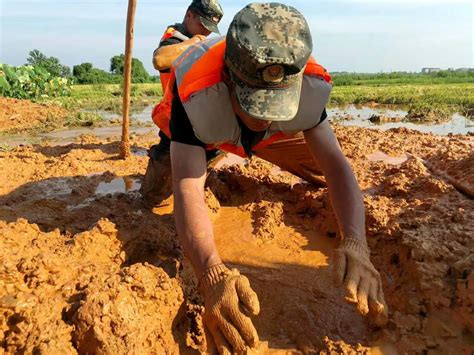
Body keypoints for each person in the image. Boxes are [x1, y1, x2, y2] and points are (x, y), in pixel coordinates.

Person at [158, 3, 389, 353]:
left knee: (317, 173)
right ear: (228, 77)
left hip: (268, 136)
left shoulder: (307, 86)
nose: (261, 116)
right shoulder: (196, 91)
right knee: (159, 189)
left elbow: (337, 167)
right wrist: (211, 273)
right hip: (205, 131)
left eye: (273, 104)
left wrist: (357, 242)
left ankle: (252, 132)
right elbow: (187, 188)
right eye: (254, 102)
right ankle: (210, 155)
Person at [141, 0, 224, 202]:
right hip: (177, 121)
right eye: (202, 25)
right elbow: (160, 60)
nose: (205, 32)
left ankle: (199, 179)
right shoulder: (176, 38)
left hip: (206, 121)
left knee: (208, 158)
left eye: (209, 29)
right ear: (189, 15)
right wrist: (195, 43)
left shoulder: (208, 43)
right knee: (155, 195)